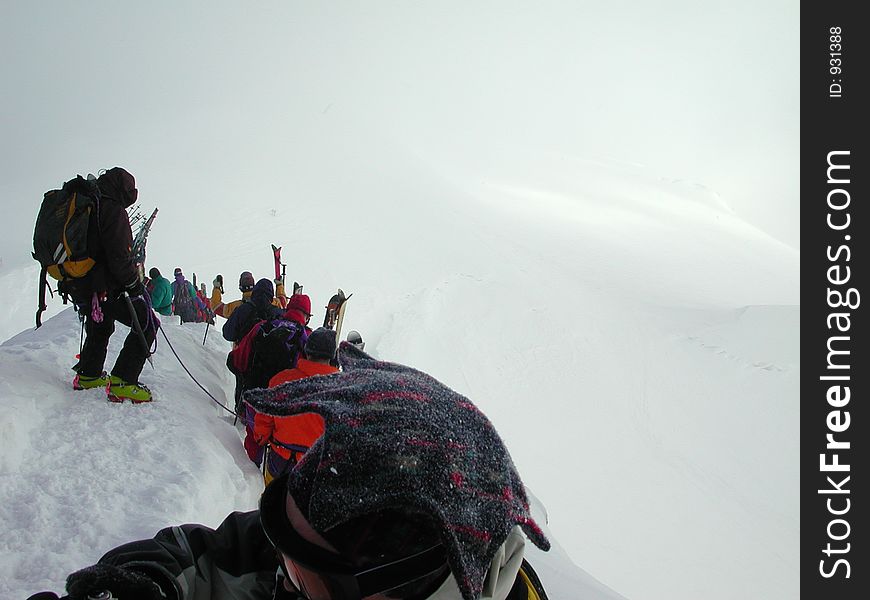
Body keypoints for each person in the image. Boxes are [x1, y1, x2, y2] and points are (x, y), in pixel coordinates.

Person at [32, 343, 551, 600]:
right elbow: (207, 554)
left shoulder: (339, 538)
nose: (287, 579)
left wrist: (256, 440)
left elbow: (244, 379)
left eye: (308, 582)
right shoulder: (320, 535)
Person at [70, 167, 157, 404]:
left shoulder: (91, 204)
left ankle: (88, 374)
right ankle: (123, 382)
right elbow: (119, 258)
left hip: (81, 283)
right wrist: (134, 284)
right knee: (147, 322)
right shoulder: (112, 210)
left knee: (100, 324)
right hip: (104, 286)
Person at [254, 327, 339, 484]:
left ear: (307, 350)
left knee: (272, 502)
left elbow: (264, 419)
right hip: (315, 467)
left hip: (279, 460)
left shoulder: (281, 380)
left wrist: (261, 437)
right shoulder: (341, 390)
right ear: (332, 355)